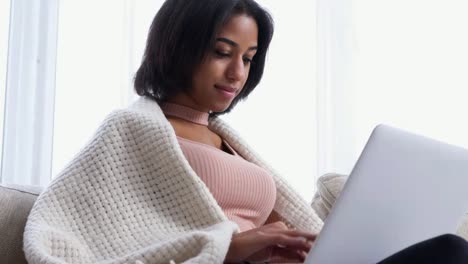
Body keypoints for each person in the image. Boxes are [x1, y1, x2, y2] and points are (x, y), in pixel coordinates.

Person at [23, 0, 468, 263]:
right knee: (450, 252)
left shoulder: (233, 146)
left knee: (450, 248)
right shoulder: (130, 130)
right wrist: (227, 247)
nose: (237, 72)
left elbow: (287, 231)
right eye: (222, 52)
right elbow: (54, 242)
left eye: (249, 58)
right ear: (178, 46)